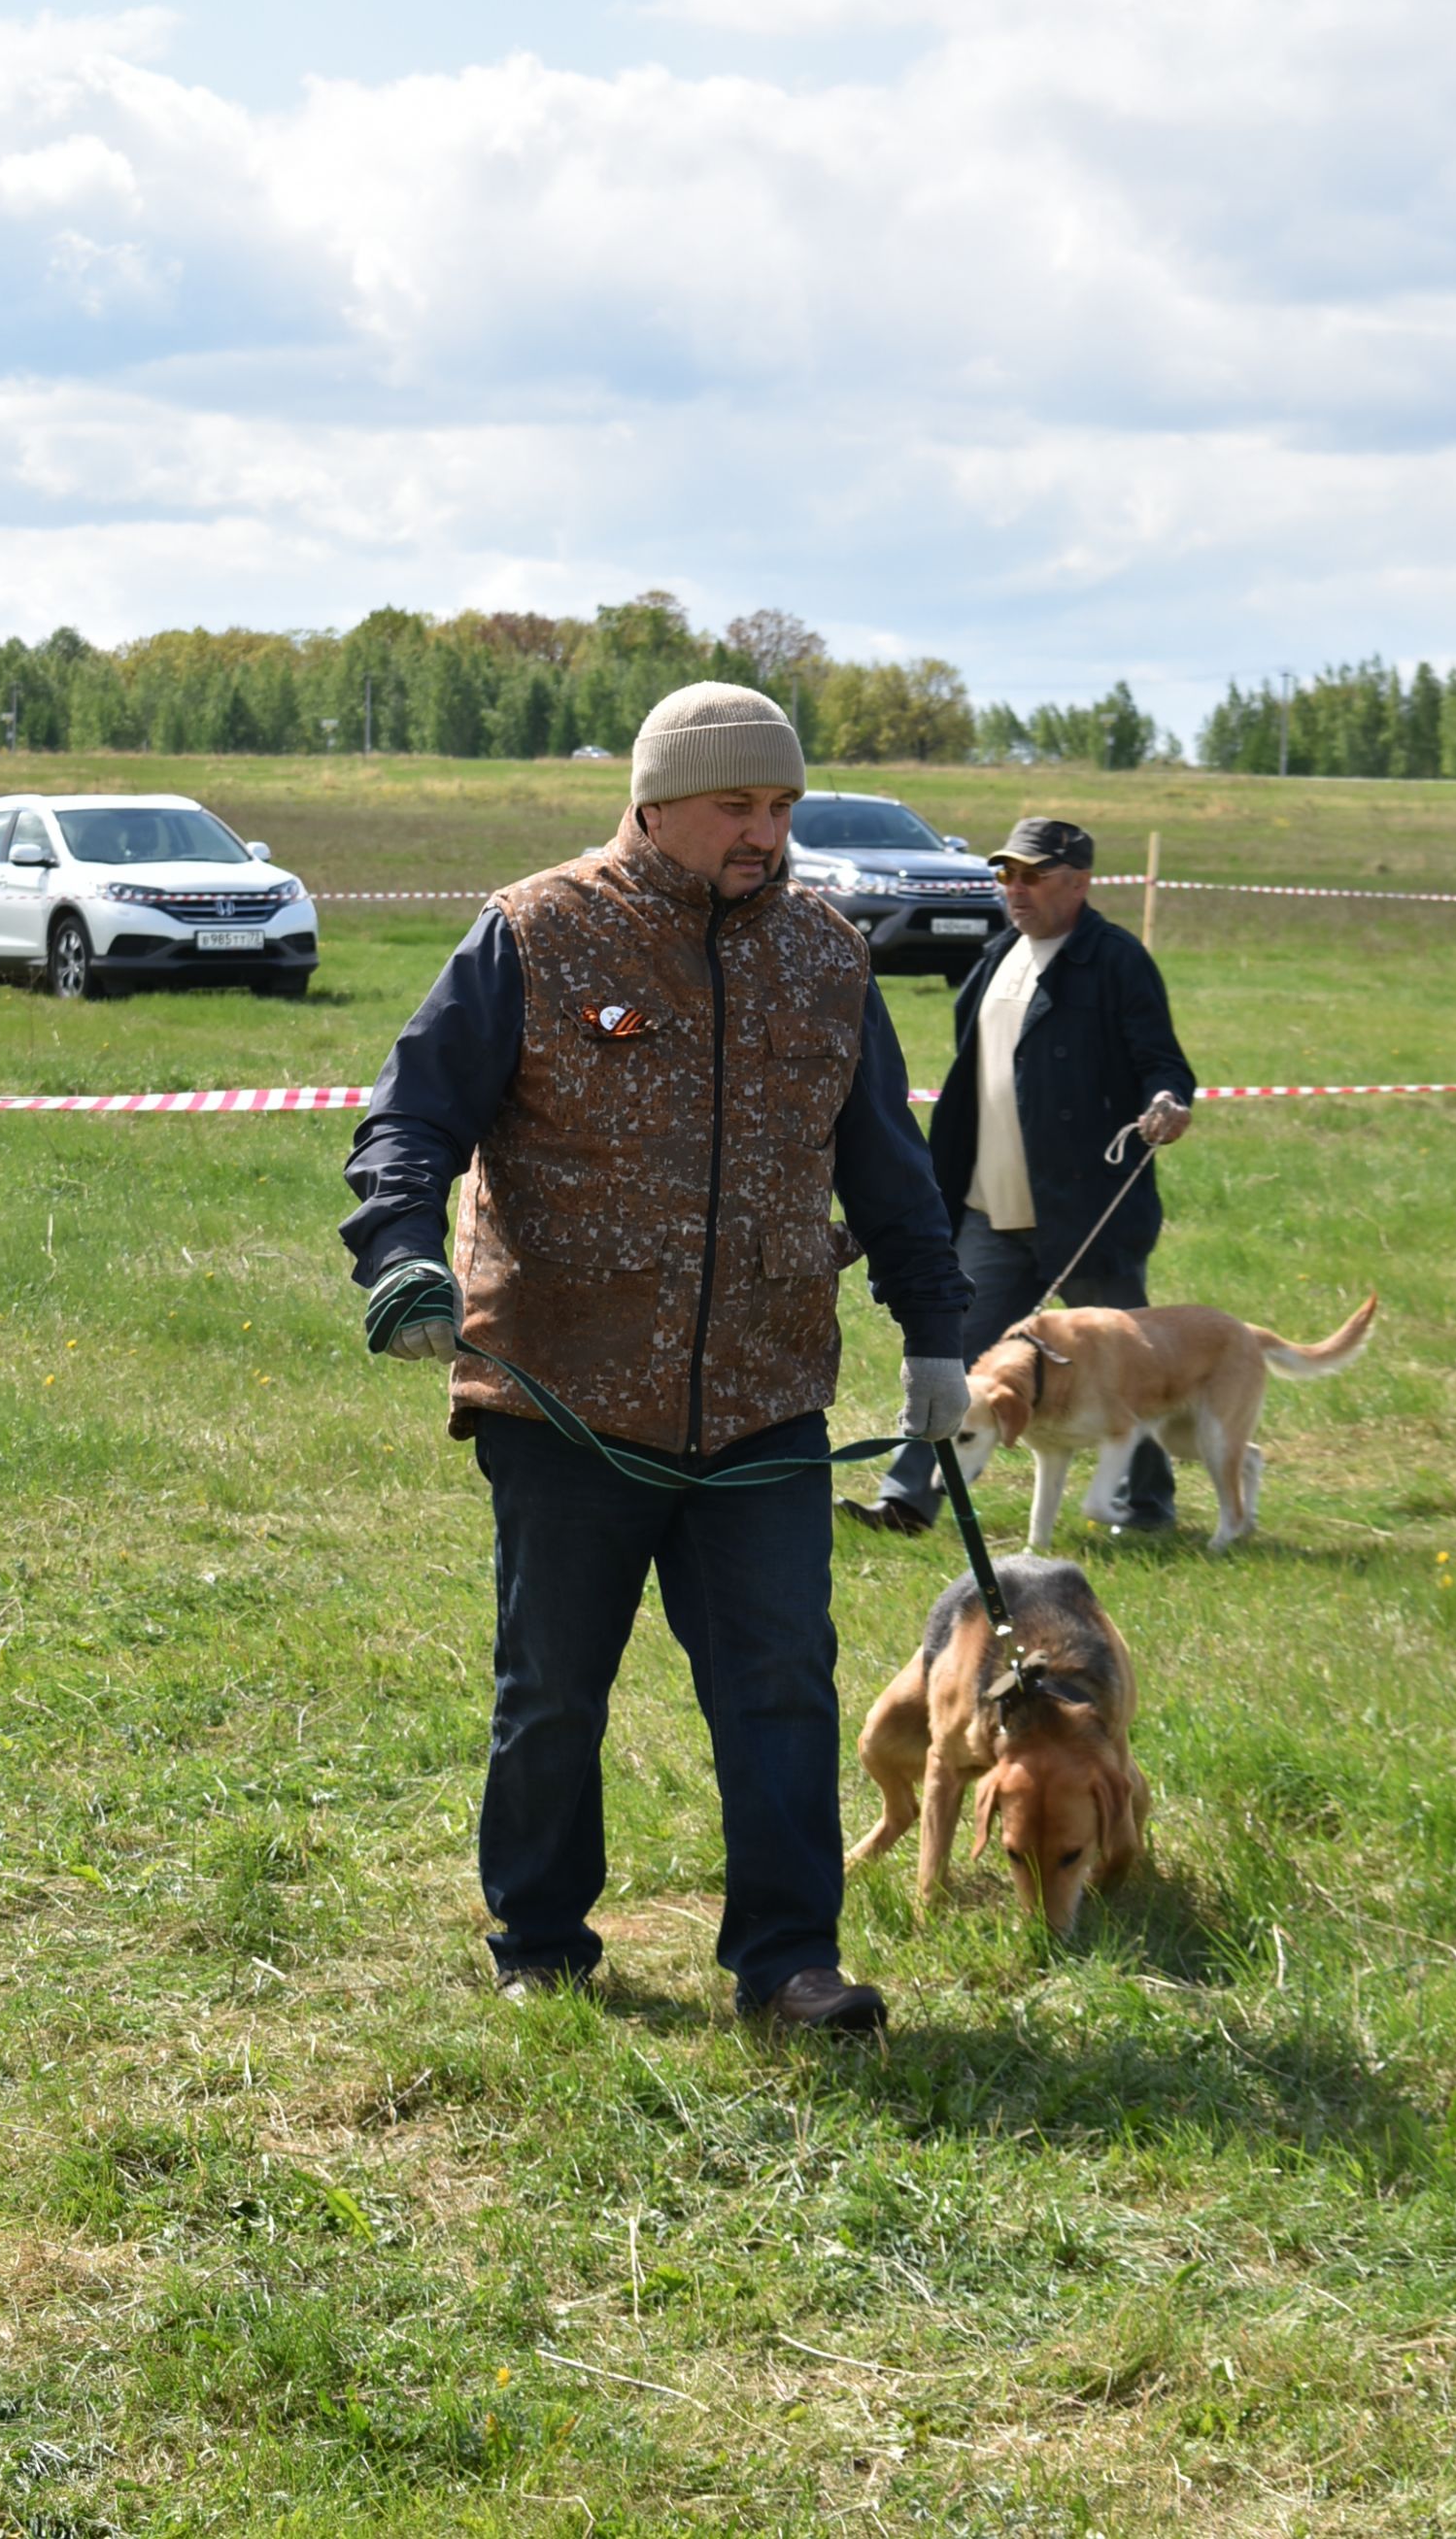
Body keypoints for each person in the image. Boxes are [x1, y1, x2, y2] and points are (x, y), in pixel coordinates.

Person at [341, 683, 971, 2032]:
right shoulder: (537, 932)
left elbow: (889, 1168)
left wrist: (937, 1339)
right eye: (738, 805)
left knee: (785, 1685)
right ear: (656, 802)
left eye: (784, 806)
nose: (767, 832)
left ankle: (790, 1962)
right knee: (555, 1689)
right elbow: (413, 1116)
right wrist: (400, 1253)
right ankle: (543, 1942)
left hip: (762, 1394)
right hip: (567, 1397)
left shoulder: (824, 954)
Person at [840, 815, 1195, 1540]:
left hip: (1085, 1214)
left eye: (1032, 875)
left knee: (1130, 1375)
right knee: (949, 1356)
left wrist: (1167, 1101)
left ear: (1079, 882)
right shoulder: (997, 954)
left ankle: (1148, 1509)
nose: (1014, 889)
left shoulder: (1118, 961)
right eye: (1006, 874)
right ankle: (908, 1501)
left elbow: (1164, 1060)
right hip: (986, 1209)